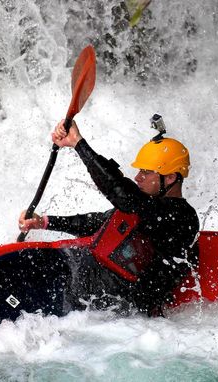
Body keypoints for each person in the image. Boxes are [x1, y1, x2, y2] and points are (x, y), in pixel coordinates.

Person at [18, 118, 199, 316]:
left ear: (171, 177)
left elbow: (119, 190)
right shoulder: (145, 206)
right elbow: (96, 223)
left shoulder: (180, 217)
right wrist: (44, 222)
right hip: (89, 298)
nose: (138, 177)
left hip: (121, 314)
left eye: (146, 173)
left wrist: (78, 143)